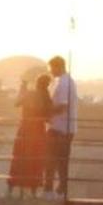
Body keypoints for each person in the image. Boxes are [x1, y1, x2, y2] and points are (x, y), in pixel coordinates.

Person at [7, 75, 52, 196]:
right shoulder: (45, 97)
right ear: (47, 85)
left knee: (20, 157)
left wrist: (23, 88)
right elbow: (48, 117)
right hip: (38, 130)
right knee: (35, 160)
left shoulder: (30, 94)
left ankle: (11, 188)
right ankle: (33, 191)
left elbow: (17, 103)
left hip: (25, 129)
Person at [44, 56, 77, 197]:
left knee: (52, 160)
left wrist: (46, 112)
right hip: (64, 128)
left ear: (58, 67)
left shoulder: (64, 83)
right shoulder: (68, 82)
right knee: (60, 161)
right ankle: (59, 190)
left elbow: (63, 106)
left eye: (51, 68)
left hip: (60, 128)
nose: (50, 71)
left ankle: (50, 190)